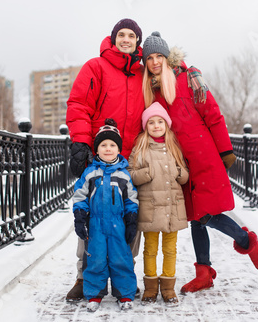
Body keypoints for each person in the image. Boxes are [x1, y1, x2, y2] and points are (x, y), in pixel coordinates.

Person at [141, 32, 258, 294]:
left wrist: (225, 150)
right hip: (180, 161)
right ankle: (204, 273)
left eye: (158, 56)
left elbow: (213, 114)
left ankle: (247, 241)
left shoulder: (190, 78)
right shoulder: (152, 91)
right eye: (149, 58)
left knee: (207, 213)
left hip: (205, 155)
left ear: (167, 57)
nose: (154, 62)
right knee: (196, 219)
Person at [65, 18, 145, 301]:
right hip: (99, 156)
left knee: (129, 215)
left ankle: (125, 274)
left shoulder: (143, 74)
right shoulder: (95, 67)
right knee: (92, 215)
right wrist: (81, 144)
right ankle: (83, 277)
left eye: (132, 36)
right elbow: (79, 105)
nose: (126, 39)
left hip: (131, 158)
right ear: (113, 39)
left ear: (138, 42)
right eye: (121, 35)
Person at [72, 118, 138, 312]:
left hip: (119, 225)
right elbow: (80, 195)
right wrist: (80, 216)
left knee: (121, 258)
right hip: (96, 225)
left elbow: (131, 198)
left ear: (118, 149)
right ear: (97, 149)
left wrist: (131, 219)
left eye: (112, 145)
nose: (108, 149)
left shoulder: (124, 175)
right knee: (96, 259)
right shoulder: (90, 173)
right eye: (103, 145)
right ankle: (94, 294)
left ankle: (124, 293)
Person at [128, 102, 189, 306]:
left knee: (170, 249)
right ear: (146, 126)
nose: (156, 126)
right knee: (150, 249)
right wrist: (145, 174)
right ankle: (151, 287)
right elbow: (130, 174)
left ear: (167, 124)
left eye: (160, 121)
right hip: (151, 208)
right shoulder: (141, 148)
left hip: (172, 208)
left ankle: (169, 287)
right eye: (151, 122)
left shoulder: (174, 147)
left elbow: (185, 173)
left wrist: (180, 174)